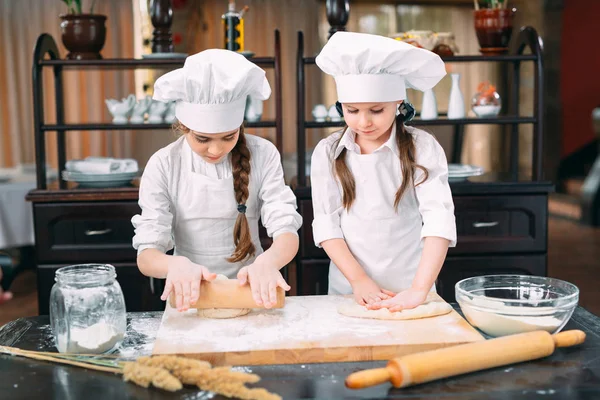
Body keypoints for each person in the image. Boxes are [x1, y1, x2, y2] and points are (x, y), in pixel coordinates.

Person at [132, 49, 302, 312]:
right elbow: (147, 256)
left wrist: (267, 263)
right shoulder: (165, 164)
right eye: (203, 139)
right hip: (190, 301)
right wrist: (175, 265)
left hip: (253, 295)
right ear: (183, 126)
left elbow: (286, 232)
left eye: (229, 137)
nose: (216, 150)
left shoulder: (263, 153)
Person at [310, 32, 456, 311]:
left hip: (411, 289)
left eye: (376, 110)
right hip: (349, 288)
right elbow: (327, 224)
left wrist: (419, 289)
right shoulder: (328, 152)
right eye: (352, 110)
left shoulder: (422, 147)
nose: (363, 122)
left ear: (398, 104)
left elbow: (438, 219)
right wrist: (359, 279)